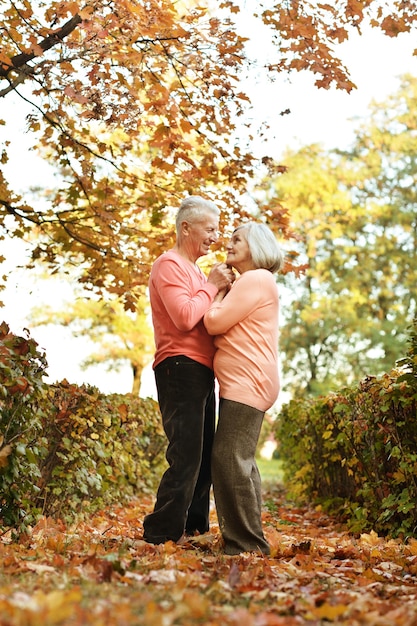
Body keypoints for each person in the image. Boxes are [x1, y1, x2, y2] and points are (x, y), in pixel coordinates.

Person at [142, 195, 234, 545]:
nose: (215, 236)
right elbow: (183, 317)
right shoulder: (168, 264)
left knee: (204, 457)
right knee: (186, 455)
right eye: (209, 228)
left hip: (201, 371)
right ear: (186, 227)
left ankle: (194, 531)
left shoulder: (196, 271)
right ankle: (160, 534)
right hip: (178, 367)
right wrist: (212, 286)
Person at [203, 222, 284, 555]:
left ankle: (246, 544)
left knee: (228, 459)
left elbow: (213, 322)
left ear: (256, 245)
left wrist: (217, 291)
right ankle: (251, 540)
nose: (229, 243)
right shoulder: (254, 282)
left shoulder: (256, 279)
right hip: (248, 381)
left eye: (238, 239)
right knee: (242, 461)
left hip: (248, 382)